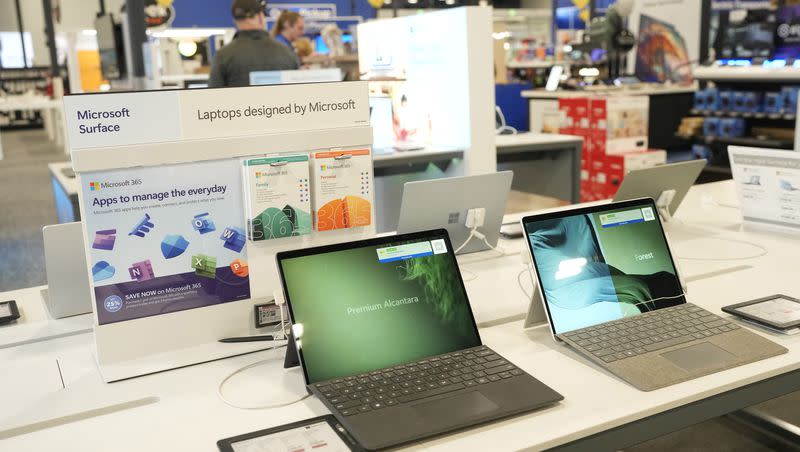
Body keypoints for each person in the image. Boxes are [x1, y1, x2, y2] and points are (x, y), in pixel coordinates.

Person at [208, 0, 298, 87]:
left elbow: (212, 95)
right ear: (260, 18)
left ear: (235, 21)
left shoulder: (222, 55)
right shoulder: (287, 52)